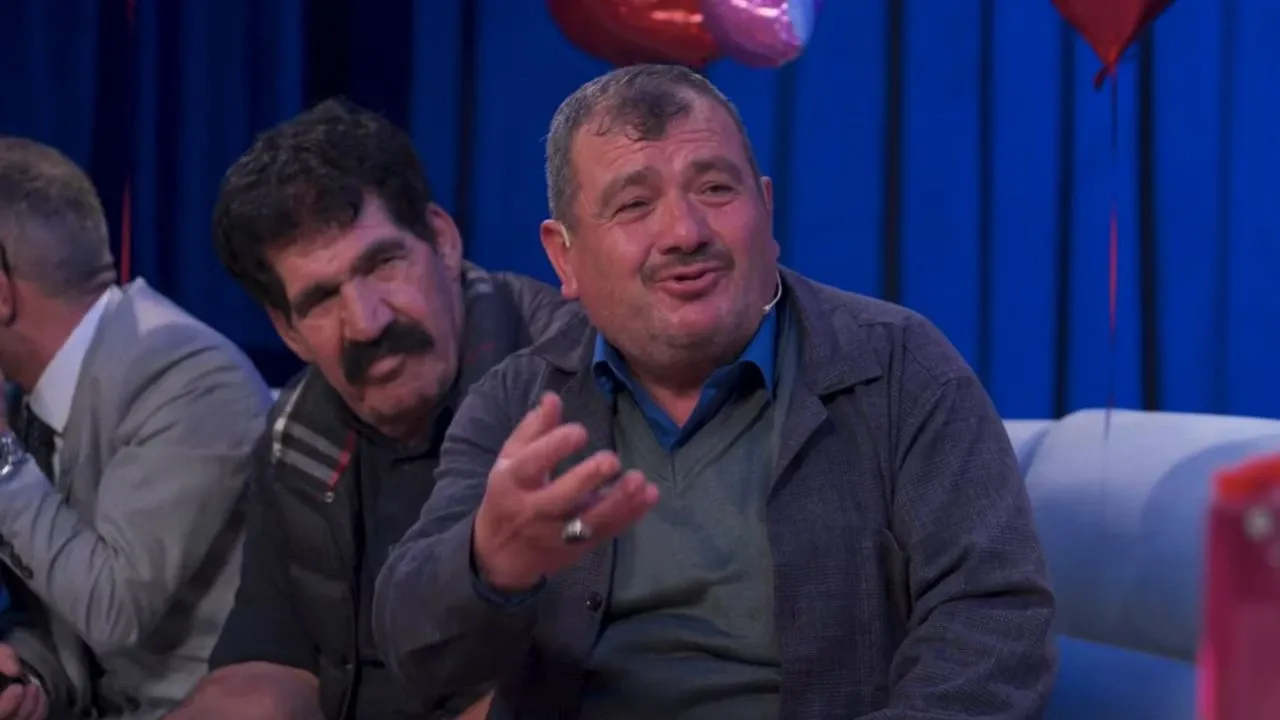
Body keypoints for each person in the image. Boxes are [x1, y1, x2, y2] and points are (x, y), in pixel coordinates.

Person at [373, 64, 1059, 719]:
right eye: (634, 205)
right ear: (564, 256)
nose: (684, 233)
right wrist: (489, 564)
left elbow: (994, 624)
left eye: (715, 189)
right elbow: (415, 655)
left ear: (766, 209)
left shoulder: (901, 369)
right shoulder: (519, 401)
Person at [168, 99, 573, 720]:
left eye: (382, 264)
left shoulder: (575, 383)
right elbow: (272, 665)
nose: (366, 322)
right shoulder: (298, 434)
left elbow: (591, 680)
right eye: (321, 298)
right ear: (288, 328)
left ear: (442, 241)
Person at [0, 137, 271, 719]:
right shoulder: (26, 403)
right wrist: (29, 678)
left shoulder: (187, 376)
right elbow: (58, 617)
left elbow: (114, 610)